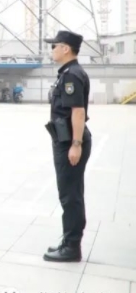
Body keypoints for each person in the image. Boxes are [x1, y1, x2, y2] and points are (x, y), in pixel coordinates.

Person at [43, 30, 92, 263]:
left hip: (70, 142)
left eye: (54, 46)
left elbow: (78, 112)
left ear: (66, 49)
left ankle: (72, 247)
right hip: (65, 140)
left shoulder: (72, 74)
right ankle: (69, 241)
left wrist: (76, 144)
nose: (51, 50)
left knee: (70, 196)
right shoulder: (67, 73)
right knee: (70, 194)